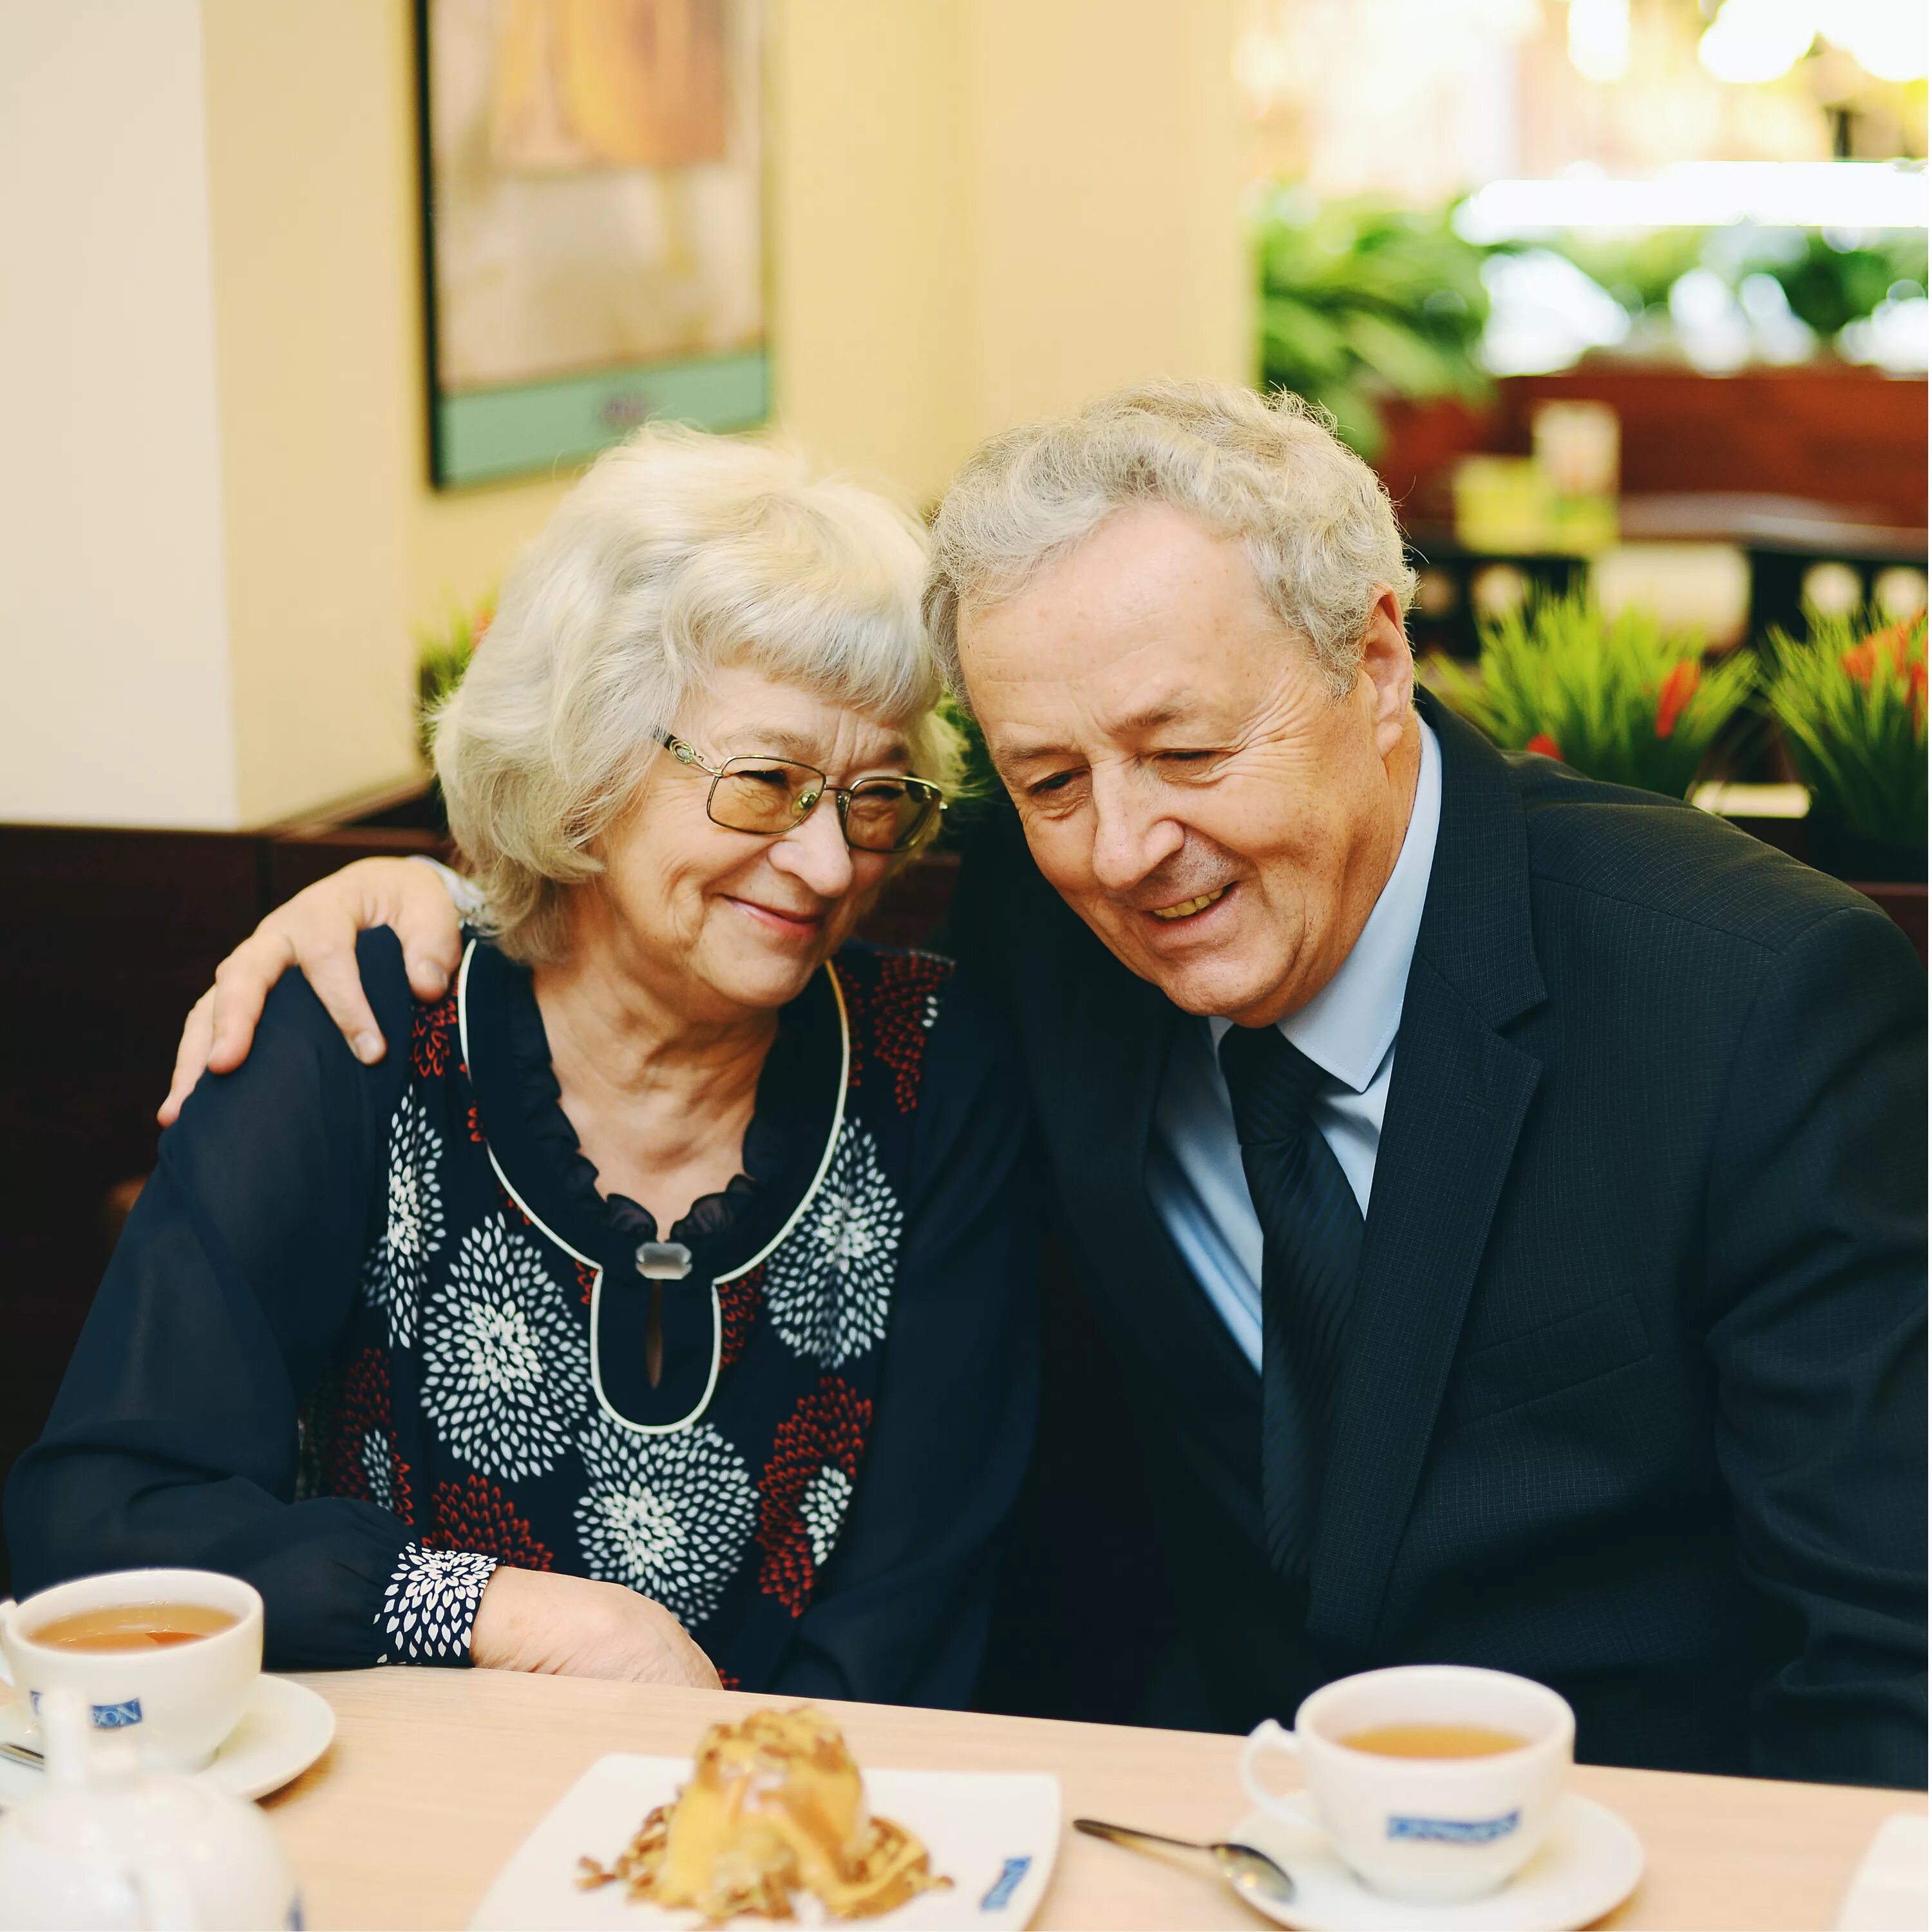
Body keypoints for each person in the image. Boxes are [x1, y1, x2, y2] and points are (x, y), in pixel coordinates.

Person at [146, 383, 1925, 1786]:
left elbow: (1887, 1657)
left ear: (1379, 658)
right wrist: (443, 897)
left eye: (1187, 749)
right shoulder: (1037, 919)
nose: (1132, 851)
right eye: (1049, 779)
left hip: (1615, 1840)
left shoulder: (1748, 998)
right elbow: (676, 885)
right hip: (1162, 1826)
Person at [6, 426, 1039, 1703]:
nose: (830, 866)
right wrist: (500, 1612)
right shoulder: (359, 1023)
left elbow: (913, 1612)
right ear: (592, 761)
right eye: (766, 783)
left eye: (878, 797)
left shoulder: (933, 1067)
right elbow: (102, 1519)